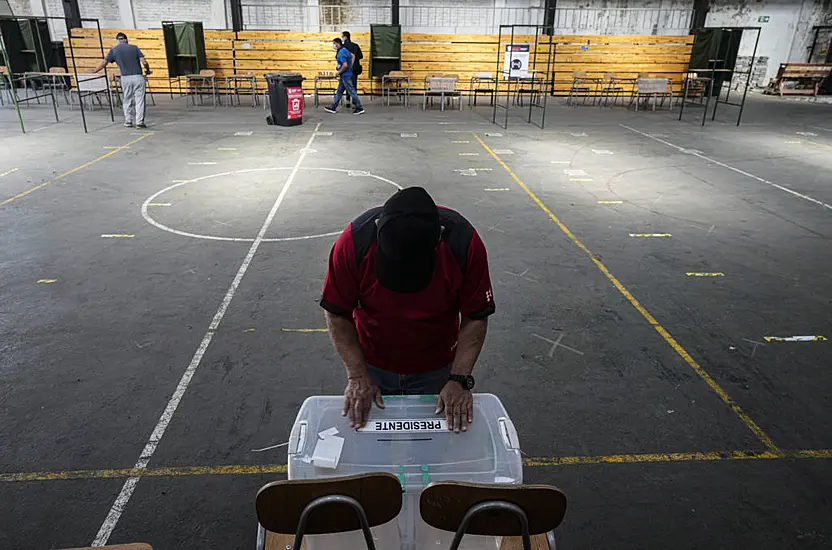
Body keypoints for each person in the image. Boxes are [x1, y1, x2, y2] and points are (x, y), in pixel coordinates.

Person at [321, 187, 495, 432]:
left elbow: (475, 315)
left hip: (436, 367)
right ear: (378, 227)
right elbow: (337, 311)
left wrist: (458, 379)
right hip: (372, 365)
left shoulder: (464, 244)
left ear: (439, 238)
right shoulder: (354, 242)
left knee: (432, 446)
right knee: (376, 444)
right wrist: (357, 376)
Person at [92, 32, 151, 128]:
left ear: (118, 40)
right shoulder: (134, 48)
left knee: (127, 99)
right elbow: (144, 62)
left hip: (125, 77)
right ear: (126, 39)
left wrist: (95, 70)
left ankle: (128, 121)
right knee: (139, 100)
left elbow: (104, 63)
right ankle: (139, 122)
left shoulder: (114, 50)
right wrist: (147, 70)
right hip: (138, 76)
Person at [325, 37, 364, 116]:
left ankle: (359, 108)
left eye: (334, 44)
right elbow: (353, 56)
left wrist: (338, 72)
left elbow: (345, 65)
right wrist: (351, 66)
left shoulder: (340, 53)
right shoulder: (345, 50)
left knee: (352, 91)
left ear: (338, 43)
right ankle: (333, 107)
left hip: (345, 75)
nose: (334, 45)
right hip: (346, 74)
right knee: (339, 92)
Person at [341, 31, 363, 108]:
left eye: (342, 36)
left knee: (347, 85)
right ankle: (354, 102)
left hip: (346, 69)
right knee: (353, 85)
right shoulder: (355, 46)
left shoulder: (343, 47)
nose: (342, 38)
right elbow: (361, 56)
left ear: (345, 37)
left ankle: (347, 100)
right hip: (354, 68)